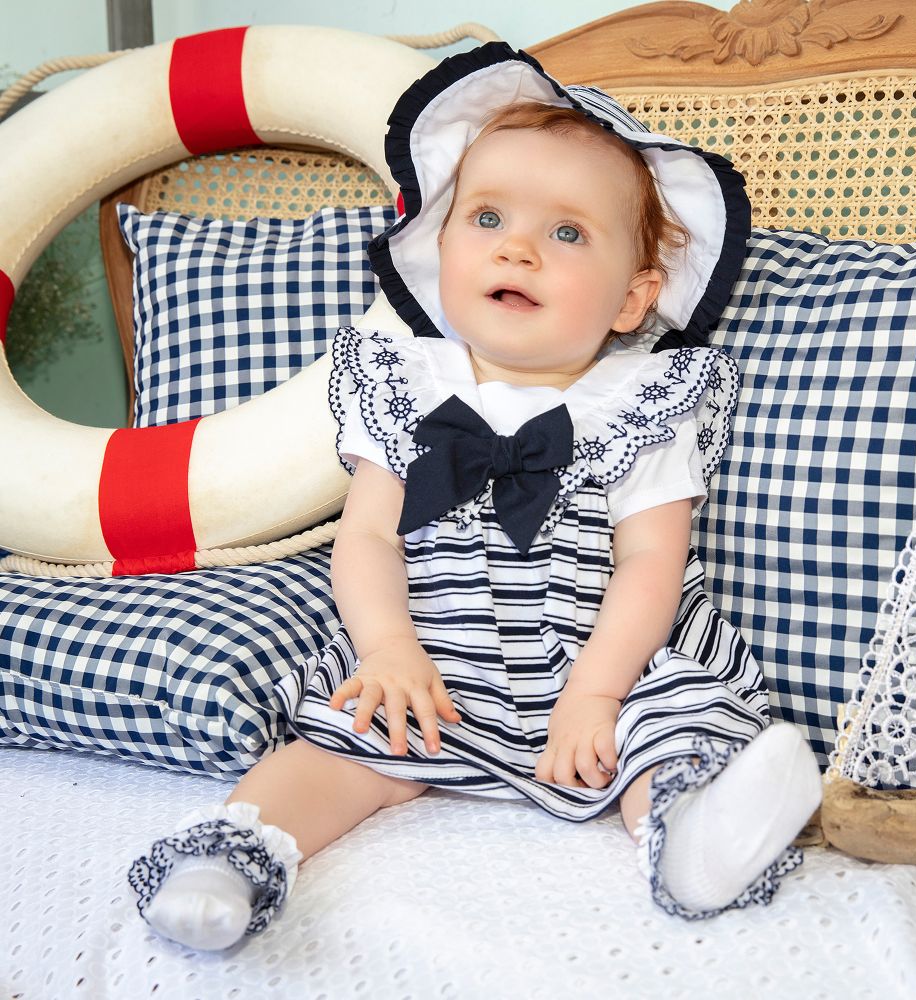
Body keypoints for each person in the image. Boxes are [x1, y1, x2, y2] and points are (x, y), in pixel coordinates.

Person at [128, 43, 822, 951]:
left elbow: (654, 564)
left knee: (676, 721)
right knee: (330, 747)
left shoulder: (645, 401)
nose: (518, 246)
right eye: (486, 215)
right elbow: (368, 537)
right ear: (442, 245)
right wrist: (387, 648)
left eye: (568, 232)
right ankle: (225, 863)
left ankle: (692, 837)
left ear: (631, 297)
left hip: (602, 673)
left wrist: (598, 695)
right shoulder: (404, 383)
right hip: (433, 674)